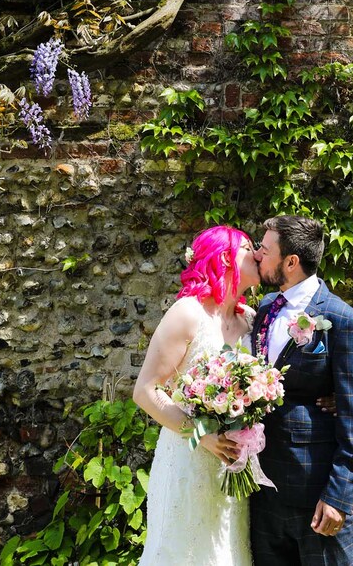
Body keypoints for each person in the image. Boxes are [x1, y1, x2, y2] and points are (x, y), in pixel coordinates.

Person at [133, 225, 260, 566]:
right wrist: (200, 435)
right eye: (248, 248)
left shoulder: (251, 321)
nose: (258, 254)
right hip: (188, 457)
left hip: (233, 464)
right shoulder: (188, 313)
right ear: (224, 257)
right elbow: (145, 391)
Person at [251, 215, 353, 566]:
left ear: (291, 262)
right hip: (264, 492)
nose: (258, 255)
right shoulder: (263, 310)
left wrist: (338, 496)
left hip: (316, 494)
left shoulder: (343, 320)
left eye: (264, 248)